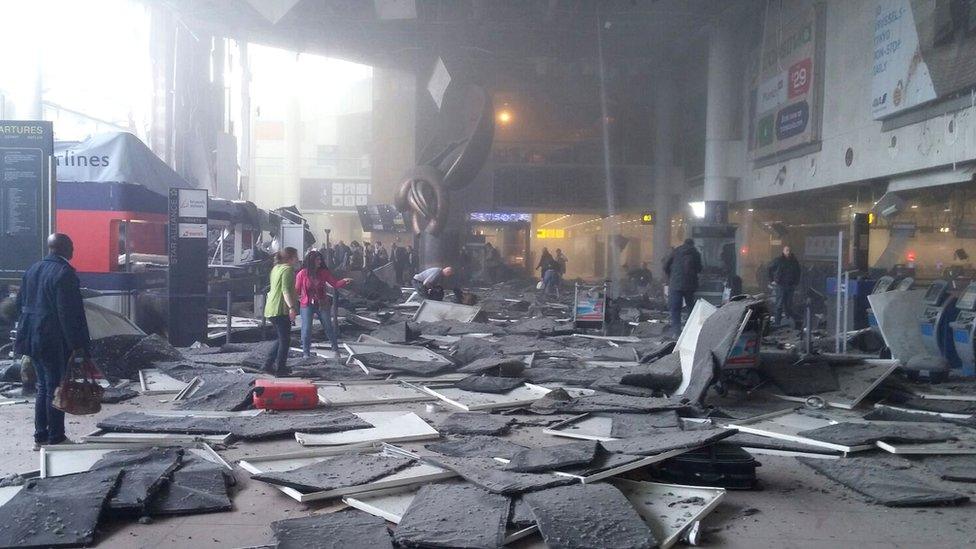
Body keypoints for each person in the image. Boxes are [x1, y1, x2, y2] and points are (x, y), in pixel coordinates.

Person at [15, 233, 91, 450]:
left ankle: (41, 437)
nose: (74, 251)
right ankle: (56, 438)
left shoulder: (32, 269)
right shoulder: (64, 273)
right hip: (52, 339)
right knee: (56, 387)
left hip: (30, 336)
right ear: (65, 249)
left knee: (43, 387)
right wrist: (78, 345)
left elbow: (20, 303)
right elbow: (68, 313)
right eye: (72, 247)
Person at [296, 250, 352, 358]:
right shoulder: (302, 273)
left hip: (322, 304)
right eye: (317, 260)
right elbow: (297, 290)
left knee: (328, 326)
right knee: (306, 328)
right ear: (311, 261)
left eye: (320, 259)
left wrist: (344, 281)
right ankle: (306, 353)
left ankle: (335, 348)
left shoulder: (323, 272)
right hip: (307, 304)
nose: (320, 262)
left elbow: (334, 283)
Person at [264, 247, 299, 376]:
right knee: (285, 340)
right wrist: (292, 307)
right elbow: (285, 290)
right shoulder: (288, 270)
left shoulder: (276, 268)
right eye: (296, 256)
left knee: (281, 338)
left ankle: (268, 365)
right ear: (290, 258)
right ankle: (280, 369)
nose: (297, 259)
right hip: (280, 309)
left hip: (271, 308)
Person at [663, 238, 703, 337]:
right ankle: (690, 331)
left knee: (675, 308)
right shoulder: (695, 253)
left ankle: (676, 332)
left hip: (675, 284)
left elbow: (666, 266)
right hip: (690, 284)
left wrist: (671, 275)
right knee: (690, 307)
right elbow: (699, 268)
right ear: (692, 244)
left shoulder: (676, 251)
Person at [767, 245, 802, 327]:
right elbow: (769, 269)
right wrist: (772, 280)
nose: (788, 252)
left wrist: (796, 282)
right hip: (781, 285)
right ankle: (777, 323)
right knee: (779, 304)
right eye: (786, 250)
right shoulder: (778, 260)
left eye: (789, 250)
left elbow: (798, 272)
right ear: (783, 251)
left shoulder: (794, 261)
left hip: (790, 285)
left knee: (788, 305)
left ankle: (788, 322)